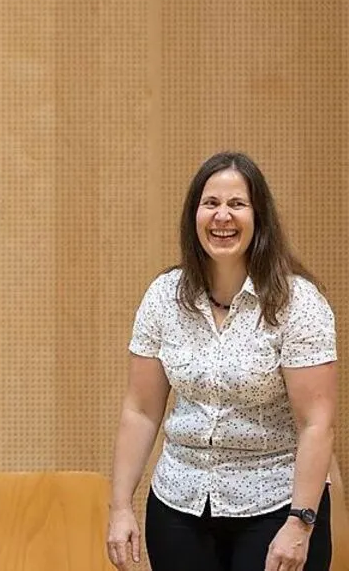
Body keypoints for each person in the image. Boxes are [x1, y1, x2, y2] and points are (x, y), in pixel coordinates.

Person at [107, 152, 337, 571]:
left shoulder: (298, 302)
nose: (222, 216)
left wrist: (300, 522)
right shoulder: (164, 296)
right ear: (193, 216)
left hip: (275, 507)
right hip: (179, 505)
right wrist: (120, 506)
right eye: (210, 203)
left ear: (259, 217)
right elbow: (140, 411)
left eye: (237, 204)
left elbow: (316, 423)